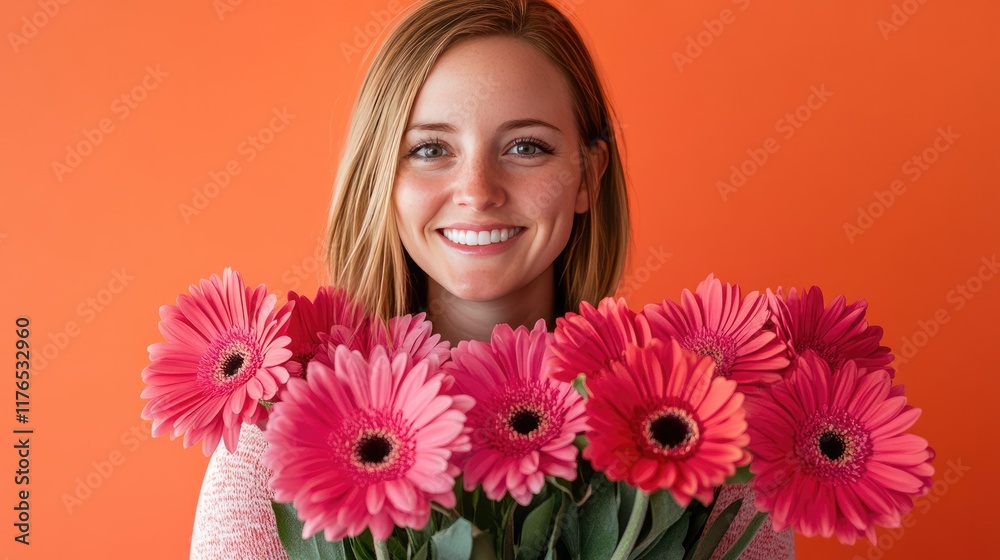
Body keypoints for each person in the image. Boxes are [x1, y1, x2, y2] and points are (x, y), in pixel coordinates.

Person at [190, 1, 793, 558]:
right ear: (381, 178)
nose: (478, 191)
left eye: (526, 146)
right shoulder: (270, 452)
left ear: (588, 176)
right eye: (429, 150)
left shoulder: (708, 443)